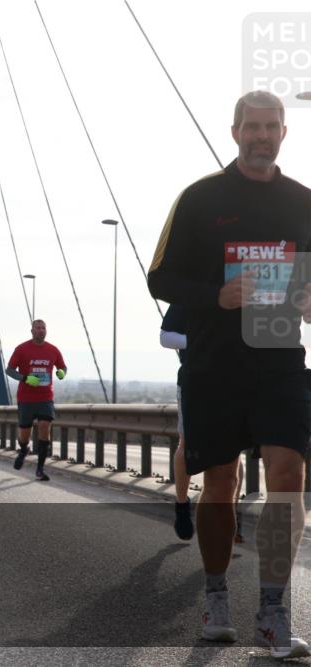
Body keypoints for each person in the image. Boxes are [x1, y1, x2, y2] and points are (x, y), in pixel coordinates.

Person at [148, 91, 311, 658]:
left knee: (288, 477)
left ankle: (271, 613)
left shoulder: (304, 202)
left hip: (281, 362)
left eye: (271, 127)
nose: (261, 136)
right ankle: (216, 597)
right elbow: (159, 279)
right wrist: (215, 295)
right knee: (220, 481)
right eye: (252, 126)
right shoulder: (199, 199)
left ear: (284, 134)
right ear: (235, 131)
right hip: (214, 365)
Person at [161, 305, 246, 543]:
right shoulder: (188, 293)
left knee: (233, 449)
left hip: (235, 381)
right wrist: (203, 341)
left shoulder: (243, 292)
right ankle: (181, 504)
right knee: (186, 442)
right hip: (194, 381)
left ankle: (232, 513)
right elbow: (166, 337)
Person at [6, 319, 66, 482]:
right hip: (26, 398)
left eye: (43, 328)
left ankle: (40, 469)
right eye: (38, 328)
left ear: (46, 331)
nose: (41, 330)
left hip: (45, 398)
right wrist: (25, 378)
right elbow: (9, 370)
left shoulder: (53, 350)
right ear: (31, 331)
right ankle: (24, 449)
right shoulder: (22, 349)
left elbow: (62, 367)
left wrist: (61, 373)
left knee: (44, 427)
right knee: (25, 434)